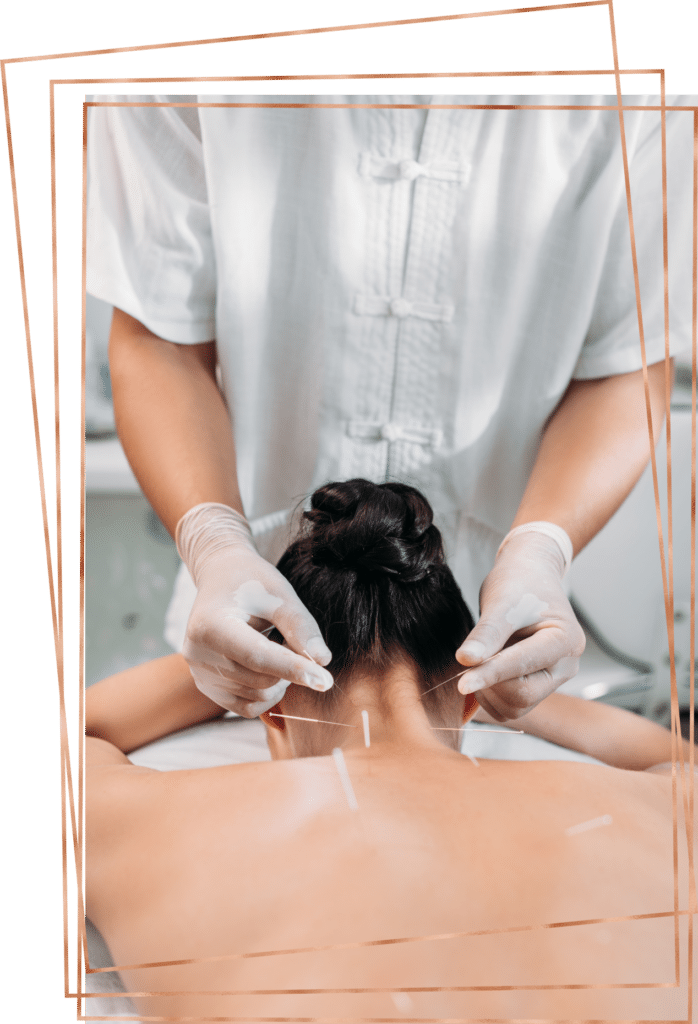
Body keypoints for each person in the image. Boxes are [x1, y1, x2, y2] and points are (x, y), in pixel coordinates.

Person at [86, 93, 693, 720]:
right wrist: (215, 546)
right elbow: (158, 333)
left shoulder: (644, 76)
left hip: (462, 646)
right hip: (256, 639)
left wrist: (541, 549)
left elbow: (627, 362)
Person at [86, 480, 695, 1021]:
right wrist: (493, 672)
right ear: (471, 701)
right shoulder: (655, 817)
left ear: (270, 706)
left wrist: (229, 668)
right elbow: (675, 757)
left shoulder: (160, 823)